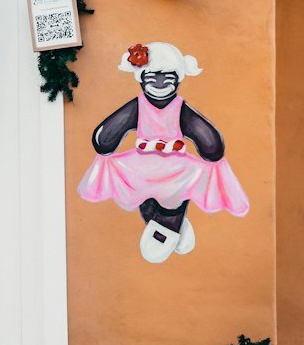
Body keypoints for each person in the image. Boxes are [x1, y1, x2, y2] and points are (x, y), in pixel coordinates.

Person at [77, 41, 249, 263]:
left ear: (178, 78)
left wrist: (211, 147)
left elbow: (210, 143)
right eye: (152, 77)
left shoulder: (180, 109)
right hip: (142, 166)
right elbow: (105, 138)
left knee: (173, 195)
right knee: (142, 192)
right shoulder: (137, 106)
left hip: (175, 168)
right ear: (141, 78)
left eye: (167, 77)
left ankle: (170, 224)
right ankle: (170, 224)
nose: (159, 83)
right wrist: (106, 140)